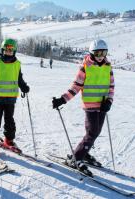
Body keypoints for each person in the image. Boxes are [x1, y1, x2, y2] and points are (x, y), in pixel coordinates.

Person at [52, 39, 115, 176]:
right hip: (90, 105)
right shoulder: (86, 66)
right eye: (98, 53)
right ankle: (76, 157)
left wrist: (109, 101)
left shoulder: (108, 66)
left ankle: (84, 153)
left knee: (95, 132)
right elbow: (76, 86)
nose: (101, 56)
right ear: (92, 53)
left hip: (103, 106)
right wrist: (63, 99)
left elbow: (111, 86)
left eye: (103, 53)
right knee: (92, 132)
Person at [0, 38, 30, 156]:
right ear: (2, 50)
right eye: (6, 49)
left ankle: (8, 140)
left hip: (11, 98)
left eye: (11, 50)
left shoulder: (17, 64)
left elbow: (19, 78)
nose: (8, 51)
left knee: (10, 120)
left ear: (14, 51)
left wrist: (24, 86)